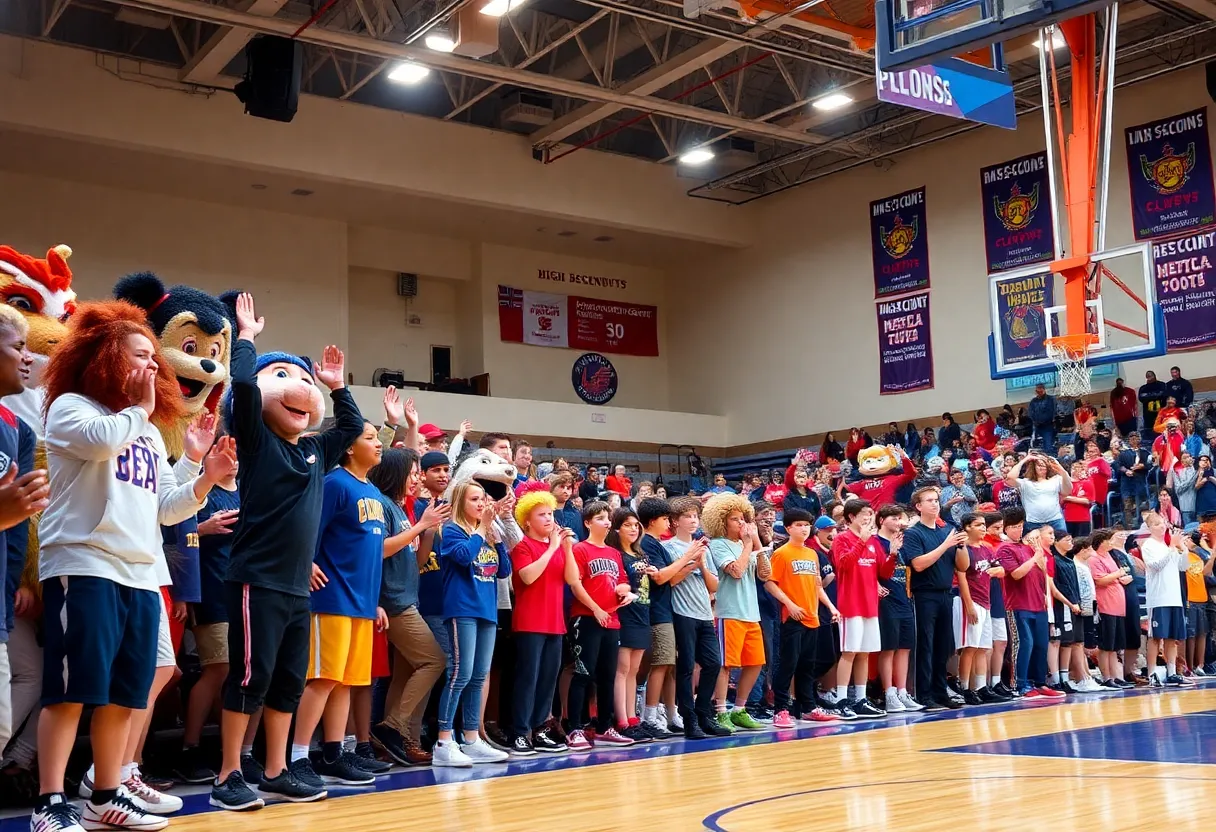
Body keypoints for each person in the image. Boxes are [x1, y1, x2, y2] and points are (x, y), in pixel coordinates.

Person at [34, 302, 235, 832]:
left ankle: (105, 793)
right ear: (105, 359)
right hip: (85, 563)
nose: (152, 366)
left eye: (153, 357)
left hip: (142, 573)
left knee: (126, 691)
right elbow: (102, 443)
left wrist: (205, 477)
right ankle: (49, 803)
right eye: (140, 355)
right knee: (75, 689)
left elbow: (167, 506)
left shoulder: (143, 430)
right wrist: (140, 413)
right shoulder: (71, 408)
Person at [289, 422, 391, 790]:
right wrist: (307, 561)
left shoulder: (374, 492)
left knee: (346, 682)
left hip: (362, 601)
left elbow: (370, 555)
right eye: (370, 438)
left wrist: (376, 601)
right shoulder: (333, 483)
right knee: (323, 679)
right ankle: (299, 756)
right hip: (331, 596)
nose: (379, 444)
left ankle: (334, 752)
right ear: (348, 447)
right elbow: (308, 526)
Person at [369, 449, 449, 767]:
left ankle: (402, 739)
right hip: (394, 601)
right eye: (414, 472)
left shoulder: (404, 509)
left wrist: (427, 531)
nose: (418, 477)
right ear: (396, 473)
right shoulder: (385, 506)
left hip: (407, 596)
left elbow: (414, 563)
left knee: (405, 675)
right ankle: (391, 727)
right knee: (434, 661)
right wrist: (420, 527)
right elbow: (379, 550)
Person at [432, 481, 512, 766]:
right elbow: (464, 557)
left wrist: (497, 537)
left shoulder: (486, 533)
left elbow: (503, 571)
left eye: (483, 499)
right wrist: (480, 530)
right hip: (462, 609)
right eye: (474, 499)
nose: (481, 504)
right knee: (459, 673)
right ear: (460, 502)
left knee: (479, 676)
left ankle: (471, 738)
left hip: (487, 610)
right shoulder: (452, 530)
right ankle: (443, 741)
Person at [506, 486, 573, 757]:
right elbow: (528, 577)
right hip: (529, 622)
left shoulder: (557, 547)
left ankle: (539, 728)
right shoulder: (522, 547)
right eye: (542, 515)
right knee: (527, 679)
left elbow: (570, 578)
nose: (549, 519)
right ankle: (520, 732)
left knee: (547, 680)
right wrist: (552, 548)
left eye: (550, 514)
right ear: (527, 521)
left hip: (555, 622)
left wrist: (566, 549)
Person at [564, 501, 632, 749]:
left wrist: (625, 590)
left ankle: (604, 727)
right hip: (587, 618)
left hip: (612, 620)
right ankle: (575, 729)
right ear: (587, 523)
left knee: (607, 676)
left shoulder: (614, 553)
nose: (606, 521)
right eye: (600, 517)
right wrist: (595, 608)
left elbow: (623, 581)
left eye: (607, 517)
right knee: (583, 673)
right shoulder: (580, 550)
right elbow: (576, 584)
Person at [765, 509, 840, 728]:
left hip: (812, 616)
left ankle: (807, 707)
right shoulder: (782, 553)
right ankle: (781, 710)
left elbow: (817, 586)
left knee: (808, 666)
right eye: (798, 525)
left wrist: (831, 606)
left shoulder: (812, 554)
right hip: (792, 618)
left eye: (807, 525)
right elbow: (770, 583)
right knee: (788, 664)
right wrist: (789, 604)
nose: (804, 528)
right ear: (788, 528)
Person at [662, 496, 728, 739]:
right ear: (675, 522)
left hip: (703, 612)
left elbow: (714, 586)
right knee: (687, 667)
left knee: (713, 663)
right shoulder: (669, 548)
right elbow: (670, 581)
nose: (693, 521)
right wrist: (689, 563)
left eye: (695, 516)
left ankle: (704, 714)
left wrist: (701, 563)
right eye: (687, 516)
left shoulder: (704, 548)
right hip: (682, 612)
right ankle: (688, 719)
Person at [705, 494, 770, 731]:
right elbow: (736, 571)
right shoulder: (718, 544)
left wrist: (757, 543)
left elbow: (765, 574)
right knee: (726, 665)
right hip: (728, 612)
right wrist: (749, 545)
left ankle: (739, 709)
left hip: (751, 613)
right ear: (722, 522)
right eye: (735, 519)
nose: (741, 523)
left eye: (743, 519)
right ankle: (721, 710)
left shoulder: (747, 543)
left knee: (756, 663)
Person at [902, 487, 966, 711]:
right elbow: (918, 564)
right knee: (925, 645)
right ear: (918, 506)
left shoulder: (947, 529)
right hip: (924, 595)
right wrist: (946, 545)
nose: (935, 504)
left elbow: (963, 566)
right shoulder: (913, 533)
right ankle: (924, 693)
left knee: (943, 646)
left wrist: (960, 546)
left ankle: (941, 691)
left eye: (937, 500)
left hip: (946, 593)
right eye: (929, 500)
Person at [829, 499, 890, 719]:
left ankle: (861, 699)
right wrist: (861, 542)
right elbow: (843, 565)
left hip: (870, 604)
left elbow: (883, 572)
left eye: (871, 513)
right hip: (850, 604)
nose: (869, 517)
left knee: (864, 653)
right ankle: (841, 700)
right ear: (851, 517)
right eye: (865, 513)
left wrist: (892, 553)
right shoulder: (841, 540)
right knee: (849, 653)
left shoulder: (874, 541)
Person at [995, 509, 1062, 699]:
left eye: (1020, 526)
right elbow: (1016, 574)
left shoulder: (1028, 548)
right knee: (1024, 643)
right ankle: (1019, 683)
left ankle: (1039, 682)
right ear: (1006, 529)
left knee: (1041, 644)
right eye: (1014, 527)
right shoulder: (1005, 549)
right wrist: (1034, 557)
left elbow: (1043, 573)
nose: (1018, 530)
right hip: (1018, 604)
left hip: (1038, 603)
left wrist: (1039, 555)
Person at [609, 507, 657, 742]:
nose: (633, 529)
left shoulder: (641, 554)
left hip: (642, 614)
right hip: (624, 615)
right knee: (622, 669)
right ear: (616, 527)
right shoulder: (616, 554)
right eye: (627, 524)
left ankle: (633, 718)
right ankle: (622, 721)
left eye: (636, 525)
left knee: (634, 671)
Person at [637, 497, 679, 735]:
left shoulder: (656, 543)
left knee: (669, 664)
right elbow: (663, 577)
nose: (669, 523)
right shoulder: (648, 543)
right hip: (656, 611)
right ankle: (650, 715)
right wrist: (687, 559)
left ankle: (670, 712)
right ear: (653, 521)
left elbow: (671, 576)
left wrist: (690, 566)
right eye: (665, 519)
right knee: (661, 664)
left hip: (666, 610)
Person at [872, 505, 920, 712]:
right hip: (886, 600)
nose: (899, 522)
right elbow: (874, 572)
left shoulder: (904, 542)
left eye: (900, 518)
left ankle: (902, 691)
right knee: (889, 648)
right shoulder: (875, 542)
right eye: (894, 517)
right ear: (881, 520)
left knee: (905, 647)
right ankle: (889, 692)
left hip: (903, 597)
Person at [953, 513, 1003, 704]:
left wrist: (998, 570)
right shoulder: (964, 549)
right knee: (969, 647)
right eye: (978, 525)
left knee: (982, 647)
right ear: (966, 528)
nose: (983, 528)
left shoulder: (987, 548)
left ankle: (981, 687)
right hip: (971, 601)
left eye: (984, 525)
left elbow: (1001, 570)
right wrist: (969, 605)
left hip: (986, 602)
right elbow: (961, 577)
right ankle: (964, 688)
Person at [1140, 512, 1190, 686]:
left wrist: (1182, 548)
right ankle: (1152, 672)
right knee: (1155, 637)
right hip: (1158, 598)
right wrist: (1172, 548)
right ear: (1150, 528)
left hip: (1174, 597)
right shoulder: (1148, 545)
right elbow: (1156, 566)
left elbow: (1184, 567)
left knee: (1172, 637)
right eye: (1157, 524)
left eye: (1163, 524)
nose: (1161, 527)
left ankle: (1171, 671)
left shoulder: (1170, 545)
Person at [1088, 529, 1133, 687]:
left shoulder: (1109, 556)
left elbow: (1115, 575)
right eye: (1109, 540)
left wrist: (1121, 577)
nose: (1112, 542)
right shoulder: (1094, 558)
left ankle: (1117, 676)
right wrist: (1118, 574)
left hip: (1118, 606)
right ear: (1102, 542)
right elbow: (1100, 580)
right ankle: (1107, 677)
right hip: (1105, 606)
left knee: (1115, 646)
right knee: (1105, 646)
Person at [1004, 452, 1072, 535]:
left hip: (1055, 521)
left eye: (1044, 464)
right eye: (1039, 465)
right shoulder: (1025, 483)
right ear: (1033, 467)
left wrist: (1061, 469)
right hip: (1033, 523)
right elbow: (1010, 477)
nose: (1042, 467)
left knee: (1062, 545)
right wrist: (1024, 460)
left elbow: (1067, 491)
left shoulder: (1056, 479)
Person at [1117, 432, 1152, 523]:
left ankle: (1143, 525)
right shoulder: (1123, 454)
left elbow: (1150, 464)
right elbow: (1119, 466)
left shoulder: (1145, 453)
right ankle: (1129, 527)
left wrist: (1142, 466)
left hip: (1140, 483)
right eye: (1131, 438)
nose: (1134, 440)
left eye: (1136, 437)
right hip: (1127, 484)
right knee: (1127, 507)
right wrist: (1126, 471)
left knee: (1142, 506)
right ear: (1128, 440)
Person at [1063, 461, 1095, 537]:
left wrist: (1068, 498)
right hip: (1068, 518)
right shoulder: (1065, 484)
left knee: (1082, 542)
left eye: (1078, 468)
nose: (1075, 470)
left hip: (1083, 518)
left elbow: (1088, 501)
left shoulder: (1087, 482)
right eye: (1073, 468)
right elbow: (1061, 500)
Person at [1139, 371, 1168, 437]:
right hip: (1148, 416)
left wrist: (1149, 396)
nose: (1149, 378)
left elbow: (1164, 395)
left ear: (1154, 376)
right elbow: (1141, 398)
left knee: (1162, 432)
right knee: (1149, 433)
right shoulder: (1143, 388)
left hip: (1161, 414)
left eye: (1151, 376)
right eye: (1148, 377)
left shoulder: (1162, 385)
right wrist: (1156, 395)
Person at [1028, 384, 1056, 452]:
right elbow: (1031, 413)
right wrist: (1035, 421)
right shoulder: (1033, 401)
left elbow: (1050, 413)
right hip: (1037, 427)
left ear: (1044, 390)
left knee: (1048, 447)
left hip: (1047, 426)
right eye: (1037, 391)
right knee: (1037, 448)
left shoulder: (1050, 399)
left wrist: (1042, 421)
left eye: (1041, 391)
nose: (1039, 393)